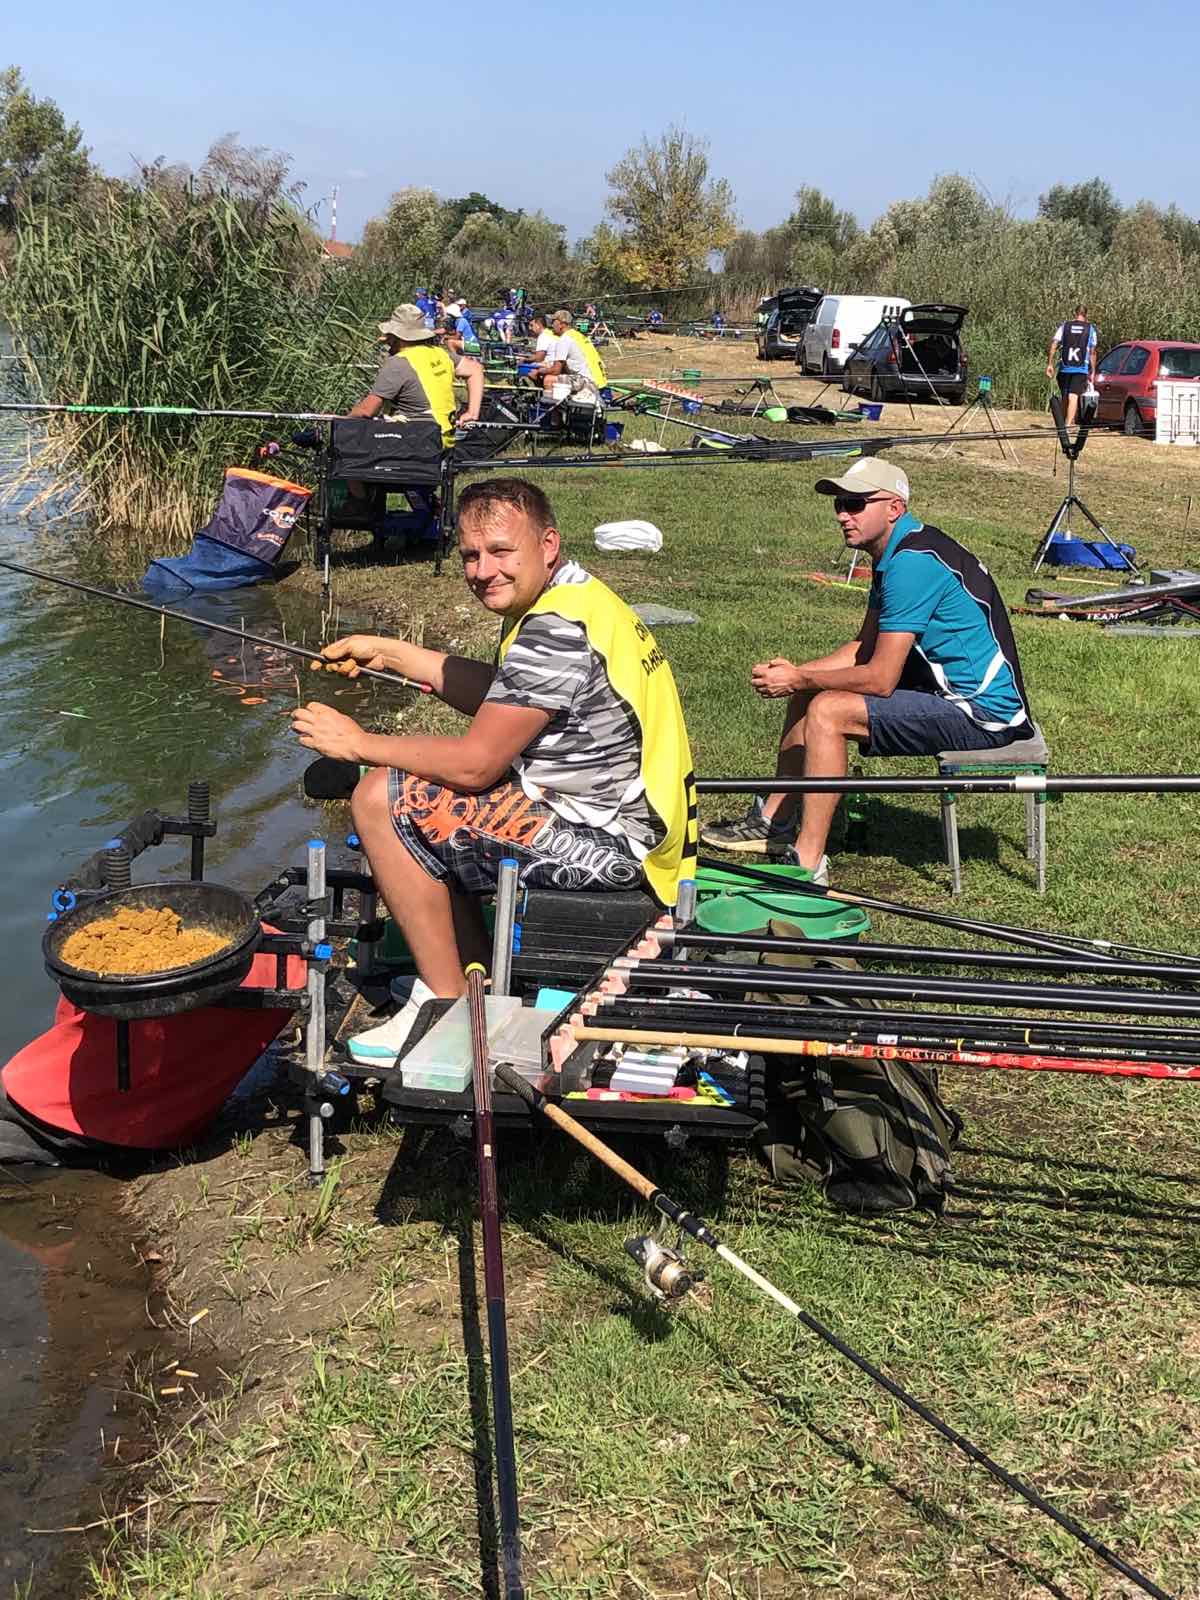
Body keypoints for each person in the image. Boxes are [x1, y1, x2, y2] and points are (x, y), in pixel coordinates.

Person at [291, 477, 696, 1063]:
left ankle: (445, 1008)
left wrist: (358, 744)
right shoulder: (574, 596)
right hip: (639, 824)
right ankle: (476, 983)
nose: (483, 570)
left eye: (501, 552)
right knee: (425, 798)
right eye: (471, 556)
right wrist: (399, 655)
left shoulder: (553, 629)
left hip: (615, 844)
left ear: (547, 543)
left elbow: (479, 765)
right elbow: (513, 694)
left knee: (382, 797)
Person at [700, 457, 1035, 885]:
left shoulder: (913, 564)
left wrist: (802, 678)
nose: (843, 514)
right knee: (809, 693)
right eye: (840, 504)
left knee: (827, 711)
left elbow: (880, 677)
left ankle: (807, 865)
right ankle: (774, 821)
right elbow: (863, 647)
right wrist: (796, 675)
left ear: (893, 507)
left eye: (856, 504)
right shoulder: (898, 551)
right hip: (947, 694)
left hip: (982, 713)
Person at [349, 303, 482, 446]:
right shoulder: (440, 354)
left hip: (416, 441)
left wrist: (343, 420)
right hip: (445, 437)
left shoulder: (398, 363)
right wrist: (472, 412)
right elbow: (475, 369)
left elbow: (367, 410)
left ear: (396, 336)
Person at [530, 309, 601, 402]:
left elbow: (556, 370)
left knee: (549, 379)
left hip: (585, 380)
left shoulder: (564, 340)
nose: (551, 325)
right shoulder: (575, 335)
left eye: (553, 322)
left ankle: (551, 413)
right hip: (590, 378)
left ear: (561, 324)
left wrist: (539, 371)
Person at [1047, 304, 1098, 428]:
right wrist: (1093, 371)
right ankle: (1068, 425)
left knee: (1065, 396)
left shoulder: (1065, 326)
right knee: (1073, 396)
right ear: (1086, 315)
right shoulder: (1090, 329)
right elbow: (1092, 352)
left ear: (1075, 313)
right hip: (1080, 368)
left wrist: (1050, 364)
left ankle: (1062, 424)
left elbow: (1054, 344)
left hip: (1065, 367)